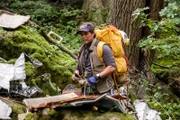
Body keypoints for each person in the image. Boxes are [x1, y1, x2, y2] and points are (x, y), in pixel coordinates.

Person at [72, 22, 116, 95]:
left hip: (104, 90)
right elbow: (80, 64)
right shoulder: (82, 49)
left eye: (86, 34)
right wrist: (77, 71)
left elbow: (112, 67)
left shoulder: (103, 47)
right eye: (82, 34)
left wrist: (96, 77)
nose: (83, 37)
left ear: (93, 33)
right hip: (87, 90)